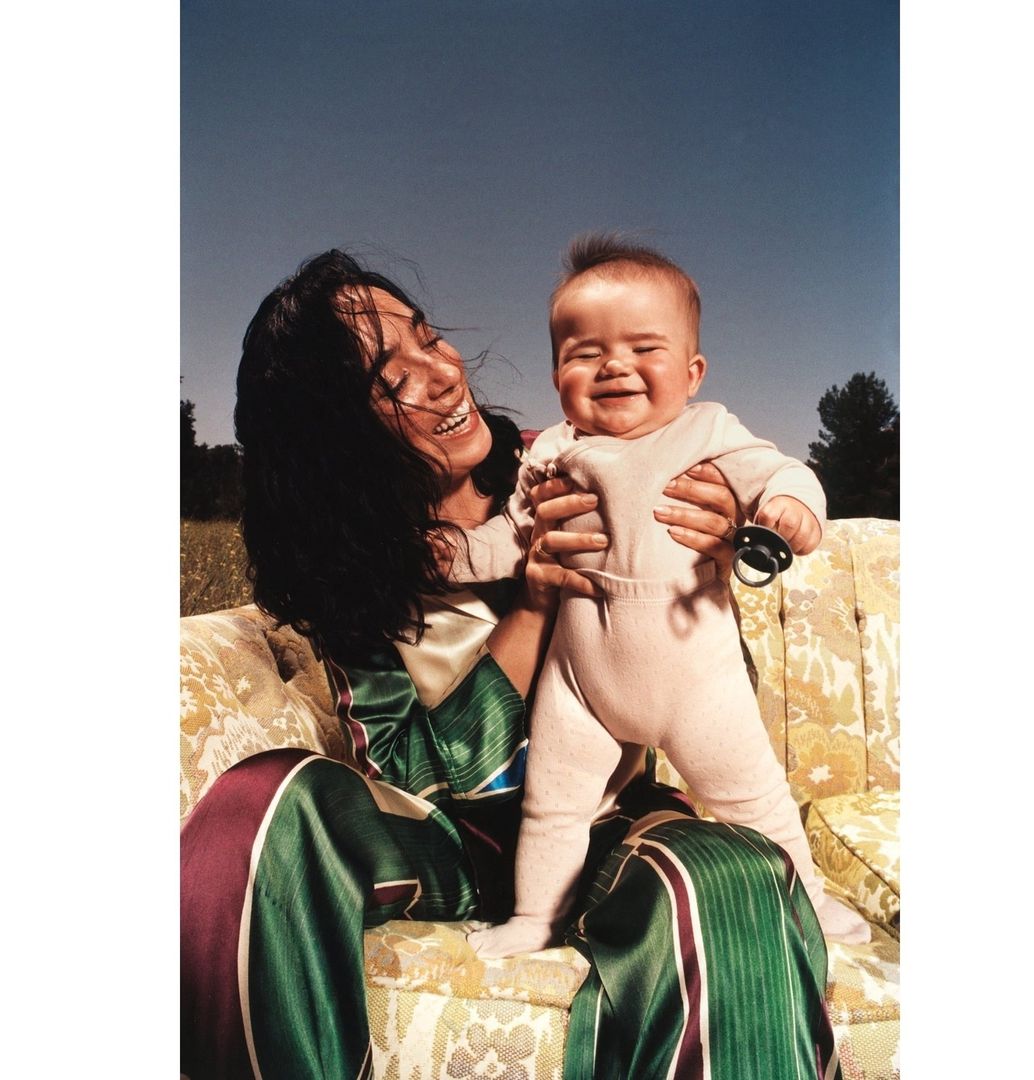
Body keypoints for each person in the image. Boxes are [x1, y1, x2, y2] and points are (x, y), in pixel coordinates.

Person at [180, 248, 843, 1080]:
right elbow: (412, 777)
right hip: (449, 846)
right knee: (259, 802)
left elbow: (702, 688)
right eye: (392, 379)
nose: (441, 375)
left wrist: (704, 563)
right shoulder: (351, 567)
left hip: (605, 824)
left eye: (427, 337)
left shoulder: (573, 455)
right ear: (333, 432)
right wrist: (532, 604)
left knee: (727, 871)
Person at [453, 234, 871, 959]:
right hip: (581, 685)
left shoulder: (706, 432)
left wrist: (790, 508)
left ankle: (805, 894)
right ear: (556, 376)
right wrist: (449, 555)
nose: (614, 365)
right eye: (585, 353)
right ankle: (534, 916)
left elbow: (784, 472)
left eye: (644, 348)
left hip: (696, 682)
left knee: (752, 799)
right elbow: (510, 540)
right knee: (553, 806)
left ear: (692, 371)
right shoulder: (551, 451)